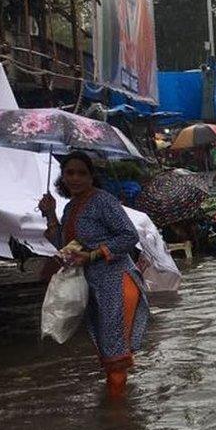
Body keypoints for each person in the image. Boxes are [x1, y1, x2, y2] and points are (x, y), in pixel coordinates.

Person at [37, 152, 149, 398]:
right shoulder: (70, 207)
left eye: (81, 173)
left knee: (114, 349)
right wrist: (50, 213)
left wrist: (93, 255)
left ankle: (118, 418)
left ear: (91, 176)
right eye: (69, 173)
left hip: (116, 282)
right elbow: (66, 245)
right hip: (93, 285)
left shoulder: (103, 201)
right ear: (62, 177)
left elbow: (129, 236)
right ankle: (119, 407)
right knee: (105, 347)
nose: (75, 178)